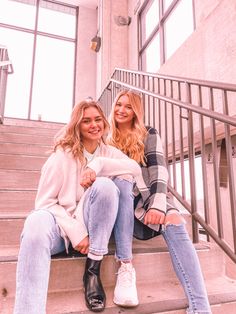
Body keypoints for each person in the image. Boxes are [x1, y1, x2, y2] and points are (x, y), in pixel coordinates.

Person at [13, 99, 141, 314]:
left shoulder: (108, 153)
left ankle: (93, 267)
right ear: (77, 126)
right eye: (86, 121)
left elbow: (134, 168)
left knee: (105, 185)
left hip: (95, 230)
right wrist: (76, 232)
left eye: (98, 120)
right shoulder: (61, 156)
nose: (94, 125)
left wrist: (97, 165)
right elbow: (44, 203)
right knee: (35, 222)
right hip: (62, 228)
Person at [108, 90, 212, 314]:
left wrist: (157, 204)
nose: (121, 110)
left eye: (128, 106)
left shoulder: (148, 133)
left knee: (174, 219)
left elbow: (159, 170)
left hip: (147, 196)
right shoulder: (105, 137)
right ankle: (125, 267)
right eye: (119, 104)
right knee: (123, 184)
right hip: (120, 204)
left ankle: (200, 307)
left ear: (136, 112)